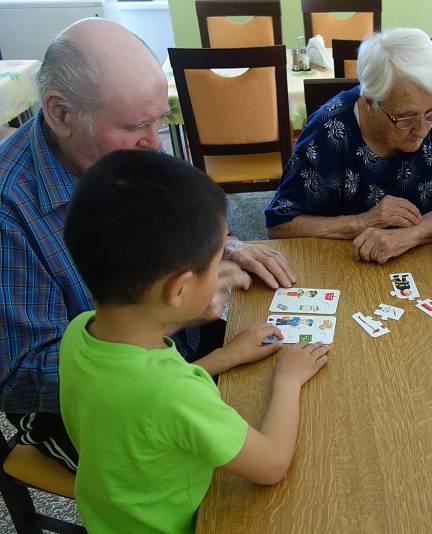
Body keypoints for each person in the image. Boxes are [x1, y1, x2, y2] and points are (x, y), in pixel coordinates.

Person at [0, 18, 294, 472]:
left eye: (159, 121)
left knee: (284, 371)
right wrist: (161, 322)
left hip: (174, 354)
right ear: (60, 113)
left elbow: (191, 212)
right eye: (137, 124)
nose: (155, 143)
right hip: (86, 409)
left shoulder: (130, 148)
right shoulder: (9, 210)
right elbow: (20, 380)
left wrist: (229, 246)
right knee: (232, 484)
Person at [60, 149, 330, 533]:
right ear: (180, 289)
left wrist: (224, 356)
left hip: (110, 517)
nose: (226, 268)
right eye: (219, 259)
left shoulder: (81, 331)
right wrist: (287, 379)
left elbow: (135, 401)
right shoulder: (175, 393)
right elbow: (271, 465)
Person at [266, 27, 432, 264]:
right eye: (405, 118)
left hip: (429, 258)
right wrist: (362, 222)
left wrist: (408, 236)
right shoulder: (329, 130)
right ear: (370, 101)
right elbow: (279, 225)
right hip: (344, 265)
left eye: (430, 112)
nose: (423, 129)